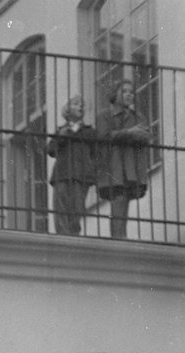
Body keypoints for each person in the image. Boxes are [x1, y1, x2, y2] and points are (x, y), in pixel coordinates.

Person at [96, 78, 151, 239]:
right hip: (114, 166)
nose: (129, 95)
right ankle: (118, 239)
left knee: (124, 201)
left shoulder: (137, 116)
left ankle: (121, 237)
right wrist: (129, 133)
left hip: (131, 167)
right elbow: (104, 136)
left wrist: (137, 134)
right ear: (115, 94)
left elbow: (146, 135)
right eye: (124, 91)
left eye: (131, 92)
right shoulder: (105, 115)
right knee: (119, 201)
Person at [48, 96, 97, 236]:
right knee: (61, 208)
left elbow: (96, 153)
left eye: (82, 104)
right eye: (76, 104)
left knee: (76, 208)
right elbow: (51, 150)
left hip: (81, 175)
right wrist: (62, 136)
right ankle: (63, 237)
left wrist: (91, 169)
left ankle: (74, 235)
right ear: (67, 109)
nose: (81, 107)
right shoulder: (61, 130)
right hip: (62, 174)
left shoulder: (89, 131)